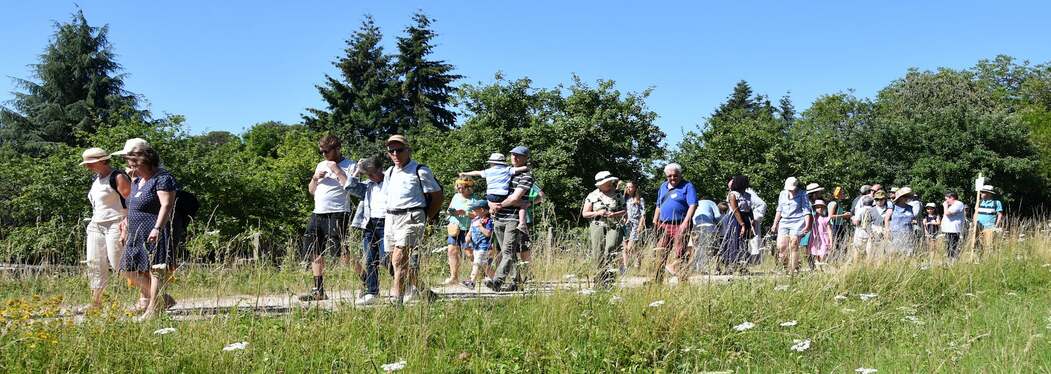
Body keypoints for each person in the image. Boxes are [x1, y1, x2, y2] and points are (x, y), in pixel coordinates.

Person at [116, 144, 178, 320]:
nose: (131, 168)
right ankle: (161, 299)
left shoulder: (163, 179)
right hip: (135, 232)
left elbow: (166, 205)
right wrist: (125, 226)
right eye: (130, 165)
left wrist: (157, 228)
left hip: (153, 229)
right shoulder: (136, 181)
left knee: (155, 269)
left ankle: (153, 309)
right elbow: (132, 207)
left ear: (147, 162)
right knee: (127, 269)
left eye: (135, 164)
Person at [383, 135, 444, 303]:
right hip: (391, 217)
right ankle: (425, 292)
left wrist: (426, 217)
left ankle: (396, 301)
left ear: (408, 150)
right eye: (391, 150)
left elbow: (437, 195)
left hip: (411, 215)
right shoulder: (389, 172)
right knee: (394, 261)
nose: (395, 153)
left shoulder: (420, 170)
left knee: (398, 259)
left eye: (399, 150)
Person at [299, 135, 355, 302]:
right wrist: (315, 178)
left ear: (337, 149)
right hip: (318, 212)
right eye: (321, 151)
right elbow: (311, 190)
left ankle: (367, 281)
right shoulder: (321, 164)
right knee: (314, 250)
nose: (323, 155)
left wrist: (337, 170)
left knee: (341, 253)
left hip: (338, 212)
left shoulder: (350, 165)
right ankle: (318, 290)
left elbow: (352, 188)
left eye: (326, 151)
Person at [80, 147, 131, 311]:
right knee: (94, 263)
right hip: (96, 225)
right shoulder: (96, 179)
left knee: (119, 265)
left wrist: (127, 223)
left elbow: (131, 202)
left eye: (90, 163)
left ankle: (156, 296)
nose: (87, 167)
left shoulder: (118, 177)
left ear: (102, 161)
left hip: (116, 223)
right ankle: (96, 303)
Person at [486, 146, 535, 292]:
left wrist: (498, 205)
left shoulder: (527, 175)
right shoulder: (504, 171)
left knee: (507, 252)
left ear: (526, 158)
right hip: (498, 217)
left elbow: (515, 198)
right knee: (510, 253)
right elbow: (490, 191)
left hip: (512, 218)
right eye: (513, 155)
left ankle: (497, 281)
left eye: (519, 156)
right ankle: (517, 282)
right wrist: (491, 204)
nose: (515, 158)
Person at [345, 155, 386, 306]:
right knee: (369, 259)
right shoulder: (368, 184)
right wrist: (357, 171)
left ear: (380, 169)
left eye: (373, 173)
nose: (371, 177)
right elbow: (349, 187)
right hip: (369, 224)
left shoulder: (389, 181)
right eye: (368, 174)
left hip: (386, 223)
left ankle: (407, 283)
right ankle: (372, 291)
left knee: (385, 258)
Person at [651, 163, 697, 284]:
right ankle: (657, 281)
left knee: (680, 253)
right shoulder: (663, 186)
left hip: (680, 223)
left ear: (680, 175)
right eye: (669, 176)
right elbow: (658, 205)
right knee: (660, 252)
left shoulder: (687, 186)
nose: (672, 178)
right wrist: (655, 220)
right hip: (664, 224)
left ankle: (682, 281)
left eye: (675, 175)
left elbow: (693, 204)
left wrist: (686, 222)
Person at [459, 153, 530, 231]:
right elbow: (520, 169)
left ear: (492, 163)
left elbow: (476, 173)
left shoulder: (488, 171)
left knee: (492, 204)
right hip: (502, 195)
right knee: (522, 203)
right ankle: (522, 223)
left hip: (490, 195)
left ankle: (493, 214)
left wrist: (465, 173)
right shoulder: (507, 169)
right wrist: (527, 167)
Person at [582, 171, 627, 289]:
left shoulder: (618, 194)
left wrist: (614, 214)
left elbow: (624, 210)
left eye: (609, 181)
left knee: (611, 249)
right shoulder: (592, 195)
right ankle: (599, 281)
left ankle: (610, 279)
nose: (609, 184)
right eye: (606, 182)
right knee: (598, 253)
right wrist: (598, 212)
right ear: (600, 184)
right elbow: (585, 214)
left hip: (614, 225)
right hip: (597, 225)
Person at [442, 178, 481, 286]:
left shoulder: (474, 200)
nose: (460, 190)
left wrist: (465, 212)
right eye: (458, 187)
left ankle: (479, 274)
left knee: (469, 253)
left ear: (469, 188)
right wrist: (452, 212)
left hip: (467, 229)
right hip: (454, 228)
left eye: (462, 188)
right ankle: (454, 277)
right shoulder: (456, 197)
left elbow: (477, 215)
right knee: (452, 251)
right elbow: (448, 210)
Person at [769, 177, 812, 274]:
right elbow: (779, 209)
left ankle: (792, 270)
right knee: (781, 246)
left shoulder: (803, 194)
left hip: (798, 221)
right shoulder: (782, 194)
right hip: (784, 221)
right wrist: (775, 224)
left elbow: (806, 210)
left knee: (794, 244)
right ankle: (786, 266)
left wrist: (807, 225)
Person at [716, 176, 754, 274]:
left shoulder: (748, 195)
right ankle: (731, 266)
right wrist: (742, 224)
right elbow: (735, 210)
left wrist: (751, 220)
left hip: (746, 218)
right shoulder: (733, 195)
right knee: (733, 242)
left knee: (744, 243)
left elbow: (749, 208)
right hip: (735, 220)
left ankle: (743, 266)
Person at [464, 200, 494, 291]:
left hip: (484, 247)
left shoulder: (489, 221)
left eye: (475, 210)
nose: (473, 212)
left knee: (476, 263)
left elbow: (488, 233)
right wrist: (468, 238)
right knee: (485, 265)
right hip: (476, 247)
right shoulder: (474, 220)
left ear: (482, 210)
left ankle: (472, 281)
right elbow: (470, 231)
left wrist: (480, 226)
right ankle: (492, 280)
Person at [687, 196, 720, 273]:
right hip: (708, 225)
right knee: (711, 248)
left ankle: (695, 268)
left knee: (696, 248)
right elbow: (718, 216)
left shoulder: (695, 203)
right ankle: (707, 268)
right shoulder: (711, 203)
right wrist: (718, 224)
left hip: (695, 227)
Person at [884, 187, 917, 256]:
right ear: (900, 197)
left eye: (908, 196)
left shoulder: (910, 207)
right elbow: (886, 219)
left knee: (909, 254)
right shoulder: (892, 207)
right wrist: (887, 231)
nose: (907, 198)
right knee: (896, 254)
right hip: (895, 235)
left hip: (908, 234)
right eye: (905, 196)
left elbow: (912, 218)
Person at [621, 181, 646, 271]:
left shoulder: (640, 200)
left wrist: (640, 225)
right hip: (625, 224)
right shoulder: (624, 199)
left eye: (630, 187)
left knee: (631, 246)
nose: (628, 188)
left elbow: (643, 214)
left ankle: (638, 260)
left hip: (635, 224)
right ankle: (625, 267)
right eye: (627, 187)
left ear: (635, 188)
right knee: (625, 247)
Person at [850, 196, 880, 262]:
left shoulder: (860, 210)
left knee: (857, 250)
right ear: (872, 203)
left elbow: (856, 222)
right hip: (871, 234)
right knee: (869, 252)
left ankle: (856, 264)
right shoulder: (875, 210)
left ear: (863, 202)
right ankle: (868, 266)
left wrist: (852, 218)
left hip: (860, 233)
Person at [975, 185, 1004, 250]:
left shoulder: (996, 203)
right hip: (978, 227)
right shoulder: (979, 202)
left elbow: (1000, 215)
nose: (981, 193)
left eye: (983, 192)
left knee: (988, 246)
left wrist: (996, 226)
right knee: (977, 245)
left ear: (989, 193)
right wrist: (974, 224)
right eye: (981, 192)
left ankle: (987, 259)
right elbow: (975, 213)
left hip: (989, 228)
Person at [827, 186, 852, 256]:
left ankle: (839, 259)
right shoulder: (833, 203)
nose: (844, 195)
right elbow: (830, 216)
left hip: (839, 226)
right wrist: (843, 215)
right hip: (834, 226)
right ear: (838, 194)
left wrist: (844, 216)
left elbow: (837, 215)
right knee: (836, 244)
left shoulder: (838, 203)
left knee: (841, 244)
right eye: (843, 193)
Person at [941, 192, 967, 260]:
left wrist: (945, 206)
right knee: (949, 246)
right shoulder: (953, 205)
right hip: (949, 229)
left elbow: (947, 213)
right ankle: (950, 259)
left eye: (947, 200)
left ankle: (952, 260)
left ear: (952, 197)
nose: (946, 202)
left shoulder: (958, 204)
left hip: (954, 229)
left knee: (952, 246)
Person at [808, 200, 833, 267]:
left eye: (822, 207)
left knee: (823, 254)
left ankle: (822, 267)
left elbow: (829, 230)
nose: (820, 209)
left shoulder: (826, 218)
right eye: (818, 207)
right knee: (816, 254)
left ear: (824, 208)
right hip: (815, 239)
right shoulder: (813, 218)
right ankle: (818, 268)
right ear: (815, 209)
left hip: (824, 239)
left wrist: (831, 241)